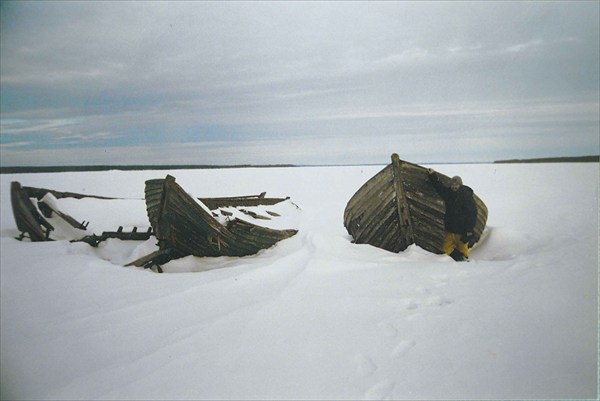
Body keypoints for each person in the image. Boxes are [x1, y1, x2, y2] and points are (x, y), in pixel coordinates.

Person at [427, 168, 477, 261]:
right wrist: (432, 175)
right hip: (450, 229)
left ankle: (465, 264)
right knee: (446, 248)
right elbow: (439, 188)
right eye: (452, 184)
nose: (454, 186)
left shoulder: (466, 196)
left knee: (463, 249)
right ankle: (457, 260)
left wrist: (469, 231)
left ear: (460, 185)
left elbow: (472, 214)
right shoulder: (449, 194)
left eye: (456, 184)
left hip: (462, 230)